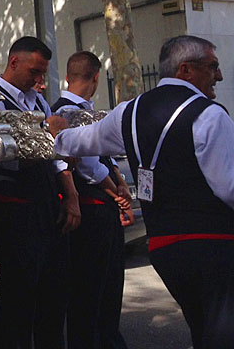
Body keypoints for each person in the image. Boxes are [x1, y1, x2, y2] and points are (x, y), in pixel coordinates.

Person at [53, 35, 234, 348]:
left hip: (165, 248)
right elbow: (229, 188)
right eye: (213, 67)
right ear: (186, 69)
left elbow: (83, 141)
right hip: (215, 245)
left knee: (205, 328)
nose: (218, 75)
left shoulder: (129, 112)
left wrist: (58, 134)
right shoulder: (210, 115)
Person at [0, 36, 79, 349]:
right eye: (34, 72)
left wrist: (71, 196)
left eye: (42, 74)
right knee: (20, 295)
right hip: (15, 205)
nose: (39, 80)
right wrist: (49, 135)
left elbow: (56, 158)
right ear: (14, 63)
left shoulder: (37, 100)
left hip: (46, 200)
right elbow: (5, 150)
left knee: (55, 291)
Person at [51, 51, 130, 349]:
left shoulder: (85, 108)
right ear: (97, 78)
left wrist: (120, 183)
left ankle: (107, 337)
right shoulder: (66, 112)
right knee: (90, 289)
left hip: (103, 203)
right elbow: (87, 165)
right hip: (90, 208)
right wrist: (115, 192)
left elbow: (105, 156)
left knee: (109, 287)